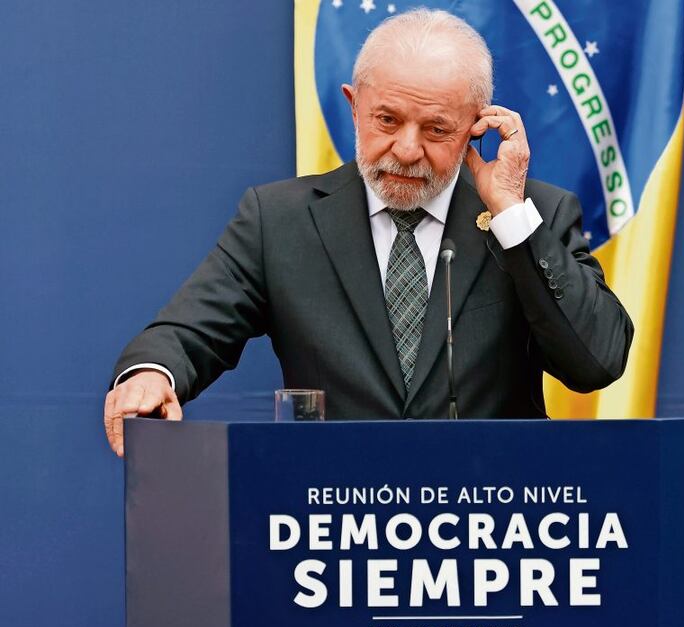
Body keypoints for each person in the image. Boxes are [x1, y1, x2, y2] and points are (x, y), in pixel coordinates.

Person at [103, 9, 632, 456]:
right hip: (329, 531)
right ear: (354, 106)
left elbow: (597, 362)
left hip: (489, 532)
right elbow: (188, 332)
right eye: (386, 120)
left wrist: (512, 218)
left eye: (436, 129)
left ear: (477, 124)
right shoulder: (279, 219)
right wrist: (149, 375)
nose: (406, 149)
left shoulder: (534, 214)